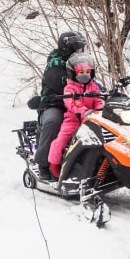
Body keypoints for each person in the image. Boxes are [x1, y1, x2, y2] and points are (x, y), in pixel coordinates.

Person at [34, 31, 88, 179]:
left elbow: (89, 78)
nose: (80, 51)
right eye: (77, 48)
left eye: (81, 49)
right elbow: (56, 81)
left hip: (77, 103)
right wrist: (73, 84)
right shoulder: (55, 62)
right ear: (67, 48)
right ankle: (43, 164)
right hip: (56, 103)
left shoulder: (81, 62)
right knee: (53, 122)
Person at [48, 53, 103, 178]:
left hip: (93, 120)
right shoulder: (69, 88)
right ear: (74, 73)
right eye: (81, 72)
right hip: (73, 121)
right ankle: (54, 164)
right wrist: (84, 111)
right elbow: (72, 104)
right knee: (61, 140)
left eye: (87, 72)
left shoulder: (93, 87)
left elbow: (98, 99)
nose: (85, 75)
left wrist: (100, 108)